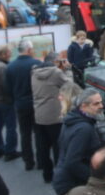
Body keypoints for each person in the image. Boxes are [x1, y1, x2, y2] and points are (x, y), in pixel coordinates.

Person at [52, 88, 105, 195]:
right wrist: (95, 180)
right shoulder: (84, 129)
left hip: (66, 181)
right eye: (96, 104)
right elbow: (72, 162)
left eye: (101, 102)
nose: (101, 106)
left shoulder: (72, 121)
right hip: (73, 185)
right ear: (83, 106)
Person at [31, 52, 73, 183]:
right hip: (55, 115)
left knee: (42, 146)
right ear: (55, 62)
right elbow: (70, 86)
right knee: (58, 146)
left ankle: (47, 174)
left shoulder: (33, 73)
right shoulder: (55, 72)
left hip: (39, 115)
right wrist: (68, 70)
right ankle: (60, 173)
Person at [6, 39, 41, 171]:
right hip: (36, 103)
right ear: (29, 50)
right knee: (38, 133)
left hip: (20, 104)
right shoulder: (36, 64)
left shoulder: (10, 66)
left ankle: (28, 161)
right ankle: (41, 160)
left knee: (25, 133)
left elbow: (8, 88)